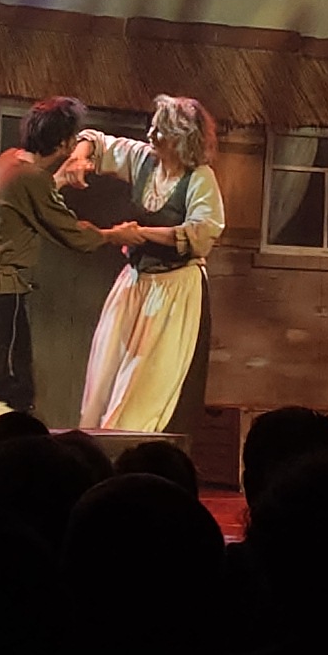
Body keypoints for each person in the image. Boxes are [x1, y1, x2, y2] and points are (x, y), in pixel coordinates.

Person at [0, 96, 117, 428]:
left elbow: (30, 197)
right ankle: (8, 449)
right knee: (5, 388)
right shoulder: (29, 178)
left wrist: (59, 180)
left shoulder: (10, 160)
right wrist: (118, 234)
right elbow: (75, 235)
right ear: (64, 143)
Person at [77, 94, 225, 436]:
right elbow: (98, 143)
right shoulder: (144, 160)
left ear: (180, 139)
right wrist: (80, 157)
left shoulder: (199, 178)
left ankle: (127, 448)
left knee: (144, 386)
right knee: (103, 377)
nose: (151, 135)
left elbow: (202, 233)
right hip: (134, 283)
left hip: (173, 291)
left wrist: (141, 233)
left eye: (160, 131)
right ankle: (92, 447)